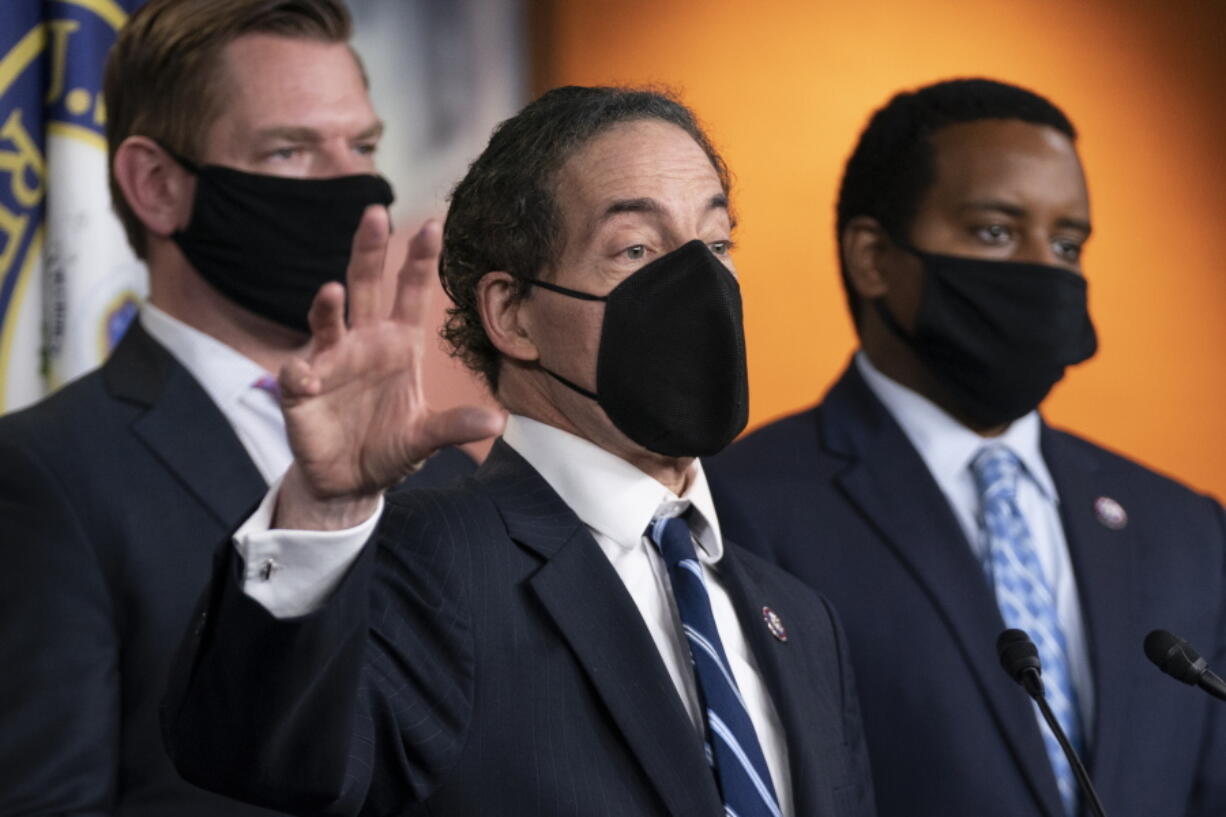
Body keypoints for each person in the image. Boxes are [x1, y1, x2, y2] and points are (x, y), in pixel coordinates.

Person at [161, 85, 877, 817]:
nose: (698, 283)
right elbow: (263, 757)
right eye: (635, 249)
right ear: (511, 313)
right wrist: (323, 506)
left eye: (716, 244)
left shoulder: (800, 618)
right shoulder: (424, 561)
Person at [0, 1, 473, 813]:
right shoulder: (43, 473)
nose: (354, 189)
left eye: (361, 147)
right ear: (157, 185)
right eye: (291, 150)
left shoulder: (444, 475)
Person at [707, 78, 1226, 817]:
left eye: (1068, 242)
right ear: (873, 258)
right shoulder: (738, 508)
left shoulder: (1183, 528)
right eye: (994, 231)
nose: (1045, 268)